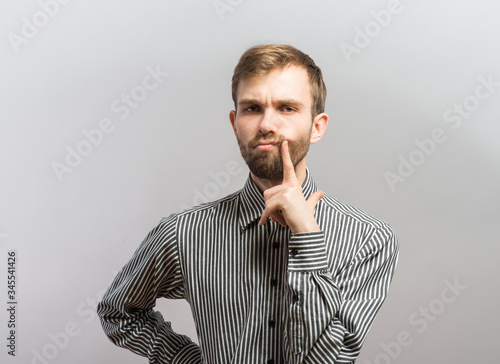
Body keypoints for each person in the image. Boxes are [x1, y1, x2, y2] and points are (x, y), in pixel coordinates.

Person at [97, 44, 399, 364]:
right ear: (235, 122)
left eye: (287, 108)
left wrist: (307, 235)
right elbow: (119, 312)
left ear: (317, 127)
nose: (267, 124)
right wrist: (187, 359)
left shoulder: (369, 239)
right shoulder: (183, 232)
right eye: (253, 108)